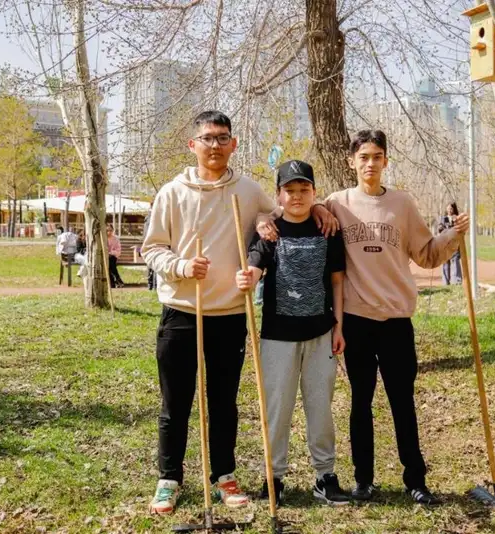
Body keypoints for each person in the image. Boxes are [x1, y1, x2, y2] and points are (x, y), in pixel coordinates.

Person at [141, 111, 338, 515]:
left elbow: (283, 211)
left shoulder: (247, 190)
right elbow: (151, 248)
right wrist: (180, 266)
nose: (215, 145)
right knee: (175, 402)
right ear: (193, 145)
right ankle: (169, 478)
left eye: (223, 138)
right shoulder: (172, 193)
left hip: (229, 313)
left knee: (224, 402)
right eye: (207, 138)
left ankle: (224, 475)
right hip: (182, 309)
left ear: (233, 144)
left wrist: (319, 210)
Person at [326, 130, 469, 506]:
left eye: (377, 156)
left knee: (402, 401)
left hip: (396, 320)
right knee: (361, 401)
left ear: (386, 161)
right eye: (363, 157)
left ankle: (415, 480)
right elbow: (301, 216)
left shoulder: (402, 204)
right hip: (356, 320)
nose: (370, 163)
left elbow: (426, 254)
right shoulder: (335, 204)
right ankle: (363, 480)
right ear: (351, 162)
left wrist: (453, 235)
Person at [236, 160, 349, 507]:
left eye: (304, 190)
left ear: (314, 193)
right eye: (290, 190)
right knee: (277, 408)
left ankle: (325, 476)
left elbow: (337, 282)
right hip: (277, 337)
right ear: (279, 195)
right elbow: (255, 266)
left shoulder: (328, 230)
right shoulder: (269, 231)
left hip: (320, 333)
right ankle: (274, 476)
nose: (297, 197)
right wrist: (248, 278)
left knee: (320, 407)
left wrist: (339, 325)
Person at [438, 202, 463, 285]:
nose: (449, 210)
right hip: (445, 244)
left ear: (454, 209)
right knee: (445, 262)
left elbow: (459, 230)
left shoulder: (457, 218)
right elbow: (440, 229)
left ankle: (457, 281)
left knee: (455, 261)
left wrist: (455, 222)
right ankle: (445, 282)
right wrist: (442, 228)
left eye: (451, 208)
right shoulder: (443, 219)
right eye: (448, 208)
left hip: (454, 244)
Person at [142, 206, 156, 291]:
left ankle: (151, 285)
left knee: (151, 265)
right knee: (152, 264)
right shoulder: (151, 217)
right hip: (152, 243)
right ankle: (152, 285)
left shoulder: (149, 216)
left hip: (150, 243)